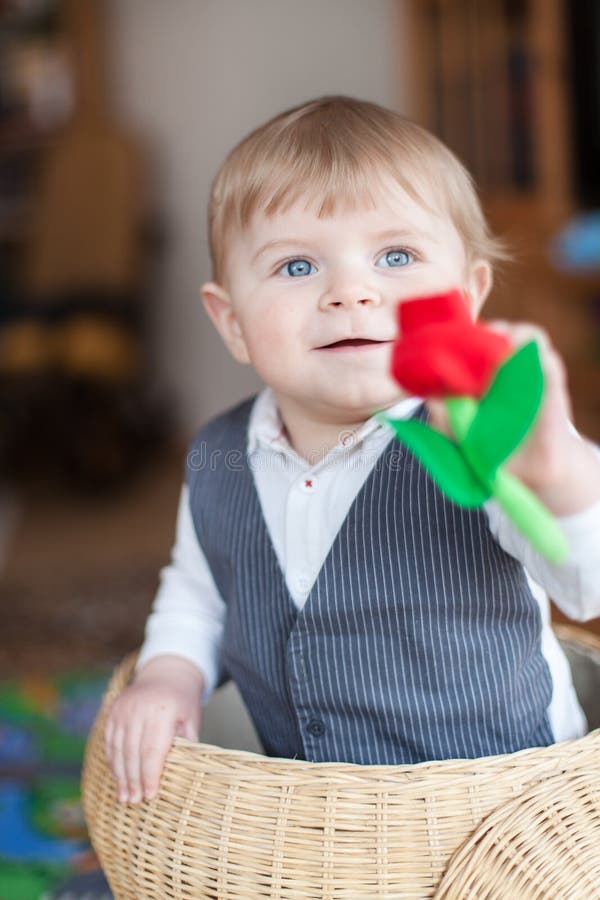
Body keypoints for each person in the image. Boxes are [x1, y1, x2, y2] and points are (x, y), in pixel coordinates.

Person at [104, 96, 600, 805]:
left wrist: (560, 476)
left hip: (501, 811)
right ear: (233, 321)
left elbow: (588, 583)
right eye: (297, 267)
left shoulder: (483, 436)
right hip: (318, 824)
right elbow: (198, 593)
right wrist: (168, 675)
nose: (351, 292)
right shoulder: (216, 453)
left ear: (466, 297)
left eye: (395, 256)